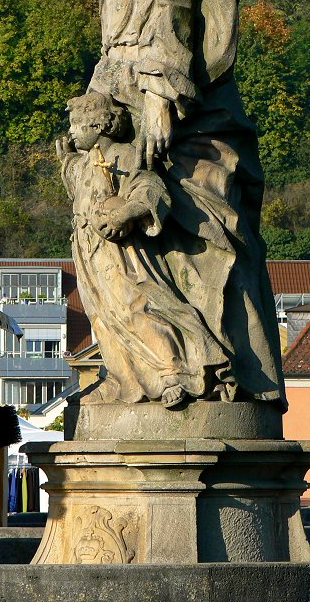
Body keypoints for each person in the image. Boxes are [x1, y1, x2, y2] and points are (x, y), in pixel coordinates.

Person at [67, 0, 286, 409]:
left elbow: (172, 33)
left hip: (176, 117)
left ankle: (202, 367)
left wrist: (159, 108)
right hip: (125, 112)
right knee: (104, 241)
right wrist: (90, 119)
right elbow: (111, 55)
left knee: (194, 239)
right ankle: (137, 368)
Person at [57, 91, 231, 407]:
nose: (70, 132)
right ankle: (122, 380)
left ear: (99, 124)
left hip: (120, 253)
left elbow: (151, 188)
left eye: (76, 124)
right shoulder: (84, 164)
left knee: (136, 307)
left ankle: (172, 374)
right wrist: (66, 159)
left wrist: (126, 212)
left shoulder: (123, 156)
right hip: (87, 251)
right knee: (102, 318)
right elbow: (78, 189)